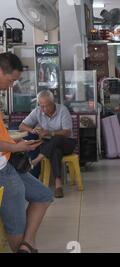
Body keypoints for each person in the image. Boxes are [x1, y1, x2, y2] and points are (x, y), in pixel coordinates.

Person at [0, 52, 53, 253]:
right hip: (2, 173)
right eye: (11, 79)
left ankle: (27, 244)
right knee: (16, 225)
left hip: (8, 165)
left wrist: (17, 141)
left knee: (43, 195)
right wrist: (16, 147)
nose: (11, 85)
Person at [19, 90, 76, 199]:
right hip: (50, 146)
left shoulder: (63, 110)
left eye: (46, 106)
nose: (44, 109)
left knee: (56, 138)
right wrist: (32, 130)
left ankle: (36, 160)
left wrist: (50, 132)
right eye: (41, 106)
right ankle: (58, 186)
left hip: (67, 143)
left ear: (53, 103)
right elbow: (22, 126)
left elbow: (67, 132)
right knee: (55, 151)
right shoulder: (37, 111)